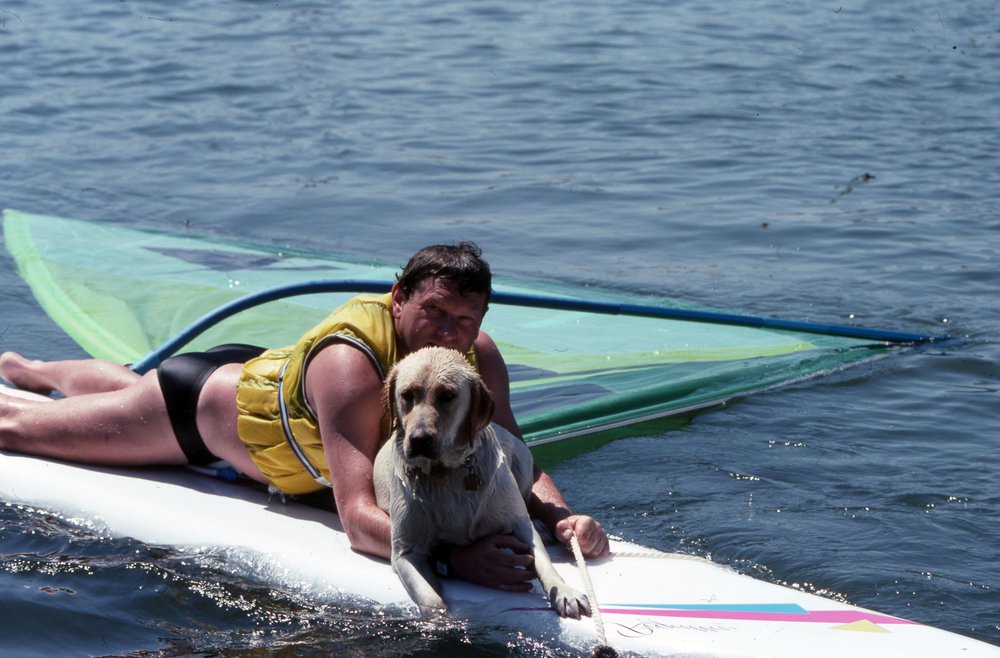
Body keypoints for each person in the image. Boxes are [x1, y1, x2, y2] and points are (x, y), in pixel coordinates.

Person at [0, 242, 609, 592]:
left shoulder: (471, 361)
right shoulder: (351, 368)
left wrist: (559, 516)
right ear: (397, 298)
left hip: (263, 381)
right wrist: (452, 561)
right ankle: (25, 393)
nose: (450, 334)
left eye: (466, 321)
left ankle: (41, 372)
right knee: (18, 431)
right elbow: (355, 516)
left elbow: (512, 455)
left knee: (129, 390)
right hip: (199, 416)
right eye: (434, 314)